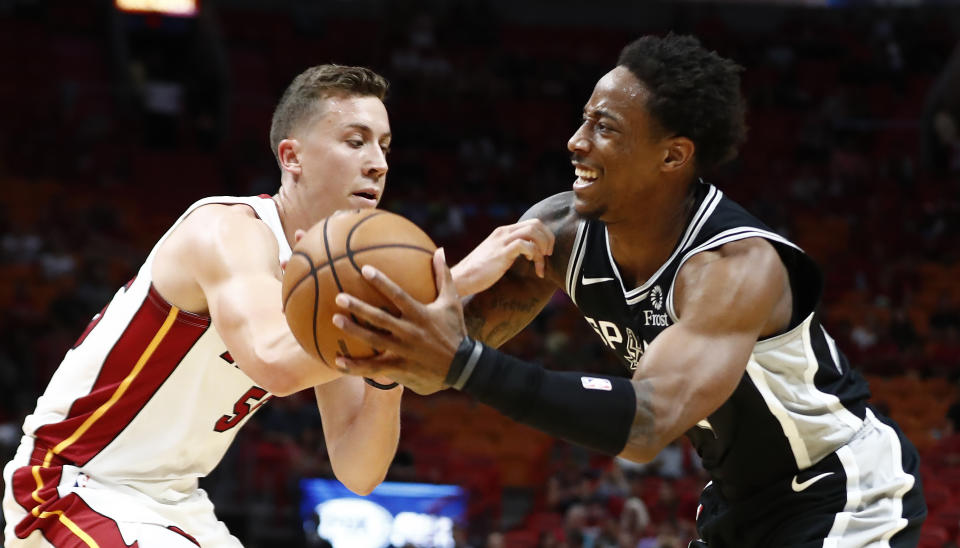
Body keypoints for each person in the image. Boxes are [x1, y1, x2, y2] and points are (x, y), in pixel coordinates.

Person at [330, 35, 928, 547]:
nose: (575, 141)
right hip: (735, 498)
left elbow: (647, 424)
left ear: (673, 155)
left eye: (604, 128)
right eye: (584, 118)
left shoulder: (736, 267)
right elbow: (436, 360)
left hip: (839, 487)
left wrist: (462, 362)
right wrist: (379, 335)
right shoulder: (560, 231)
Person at [1, 64, 551, 547]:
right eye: (356, 140)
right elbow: (272, 361)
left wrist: (394, 364)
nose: (378, 162)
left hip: (174, 503)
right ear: (292, 157)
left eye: (384, 144)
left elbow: (359, 470)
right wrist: (448, 284)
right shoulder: (227, 230)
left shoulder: (336, 284)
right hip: (73, 480)